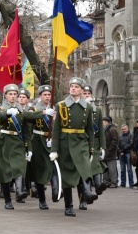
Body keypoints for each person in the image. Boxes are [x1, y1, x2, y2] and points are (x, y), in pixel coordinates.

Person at [0, 84, 54, 210]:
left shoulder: (22, 111)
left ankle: (19, 191)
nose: (12, 96)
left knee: (19, 167)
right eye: (10, 94)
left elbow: (27, 126)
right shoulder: (1, 108)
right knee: (5, 172)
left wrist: (29, 149)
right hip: (4, 142)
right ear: (5, 96)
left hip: (18, 142)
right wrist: (7, 112)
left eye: (14, 94)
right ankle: (7, 200)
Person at [49, 77, 97, 217]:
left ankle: (87, 192)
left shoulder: (87, 107)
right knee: (68, 175)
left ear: (82, 90)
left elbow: (90, 129)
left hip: (81, 141)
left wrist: (91, 148)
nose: (73, 88)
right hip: (66, 143)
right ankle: (69, 206)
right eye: (71, 86)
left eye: (76, 86)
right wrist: (54, 149)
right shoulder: (61, 105)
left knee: (85, 167)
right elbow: (56, 129)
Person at [27, 85, 57, 210]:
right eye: (44, 94)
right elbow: (28, 117)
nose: (47, 97)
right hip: (38, 142)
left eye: (49, 95)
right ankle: (42, 200)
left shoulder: (55, 109)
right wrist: (44, 112)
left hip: (51, 142)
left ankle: (56, 191)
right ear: (40, 96)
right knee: (39, 172)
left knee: (54, 168)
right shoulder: (34, 108)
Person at [80, 85, 107, 211]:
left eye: (89, 93)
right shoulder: (78, 109)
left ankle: (97, 185)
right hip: (81, 142)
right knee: (84, 172)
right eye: (84, 93)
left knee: (95, 165)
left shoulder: (98, 111)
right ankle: (84, 199)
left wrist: (103, 147)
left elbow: (101, 130)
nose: (87, 95)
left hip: (94, 142)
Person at [102, 116, 119, 188]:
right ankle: (106, 182)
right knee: (105, 168)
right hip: (104, 152)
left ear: (107, 122)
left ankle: (114, 182)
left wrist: (109, 150)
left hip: (111, 153)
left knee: (112, 169)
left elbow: (115, 140)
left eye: (103, 121)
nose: (102, 122)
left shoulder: (112, 129)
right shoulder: (103, 129)